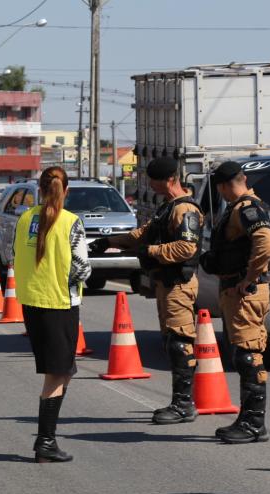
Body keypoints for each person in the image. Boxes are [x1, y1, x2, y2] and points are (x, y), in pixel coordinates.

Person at [90, 156, 204, 425]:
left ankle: (183, 405)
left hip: (179, 284)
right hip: (166, 283)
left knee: (180, 342)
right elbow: (142, 234)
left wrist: (150, 252)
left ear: (168, 180)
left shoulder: (184, 210)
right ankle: (181, 402)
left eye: (153, 180)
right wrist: (109, 241)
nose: (149, 185)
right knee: (170, 341)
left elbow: (187, 248)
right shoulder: (167, 207)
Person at [13, 167, 91, 463]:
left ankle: (47, 440)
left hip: (32, 301)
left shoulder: (24, 218)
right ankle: (45, 441)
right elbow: (82, 268)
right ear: (65, 190)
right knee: (57, 374)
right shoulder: (71, 222)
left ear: (40, 189)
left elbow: (16, 254)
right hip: (59, 303)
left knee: (63, 370)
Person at [200, 161, 270, 443]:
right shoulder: (240, 207)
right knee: (244, 353)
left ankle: (254, 424)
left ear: (223, 186)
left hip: (245, 292)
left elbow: (266, 242)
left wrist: (250, 277)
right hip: (237, 290)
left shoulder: (246, 208)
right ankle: (249, 420)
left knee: (248, 356)